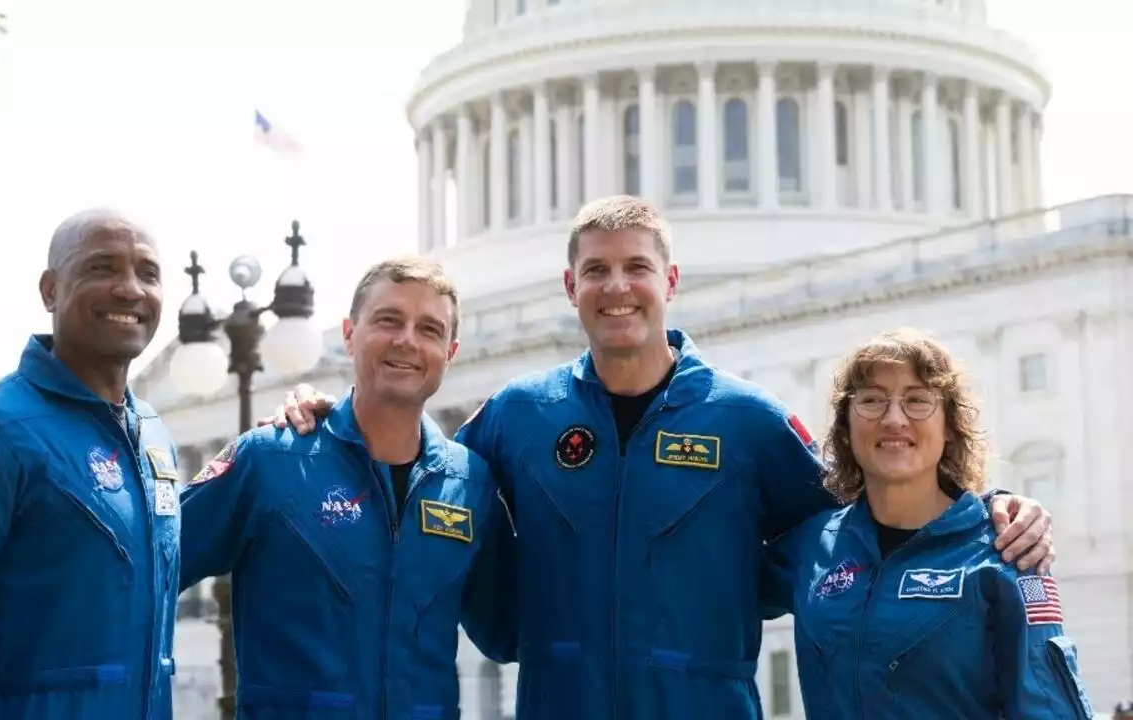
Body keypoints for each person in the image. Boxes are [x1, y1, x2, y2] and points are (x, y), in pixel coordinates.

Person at [273, 195, 1056, 719]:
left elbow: (867, 508)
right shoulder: (519, 415)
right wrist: (323, 417)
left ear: (670, 281)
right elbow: (423, 485)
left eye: (637, 268)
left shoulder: (744, 420)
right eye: (598, 270)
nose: (618, 288)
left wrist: (988, 511)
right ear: (570, 285)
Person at [179, 256, 516, 718]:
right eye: (388, 320)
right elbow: (147, 571)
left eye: (430, 329)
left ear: (451, 352)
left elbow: (509, 632)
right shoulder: (271, 459)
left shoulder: (470, 485)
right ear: (348, 333)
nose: (407, 341)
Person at [0, 209, 182, 719]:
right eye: (103, 268)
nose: (130, 289)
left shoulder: (154, 434)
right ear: (50, 290)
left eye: (148, 273)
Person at [761, 329, 1093, 718]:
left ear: (950, 426)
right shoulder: (813, 546)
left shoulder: (1007, 551)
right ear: (846, 430)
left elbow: (1049, 709)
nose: (894, 418)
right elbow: (712, 585)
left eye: (917, 400)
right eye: (871, 400)